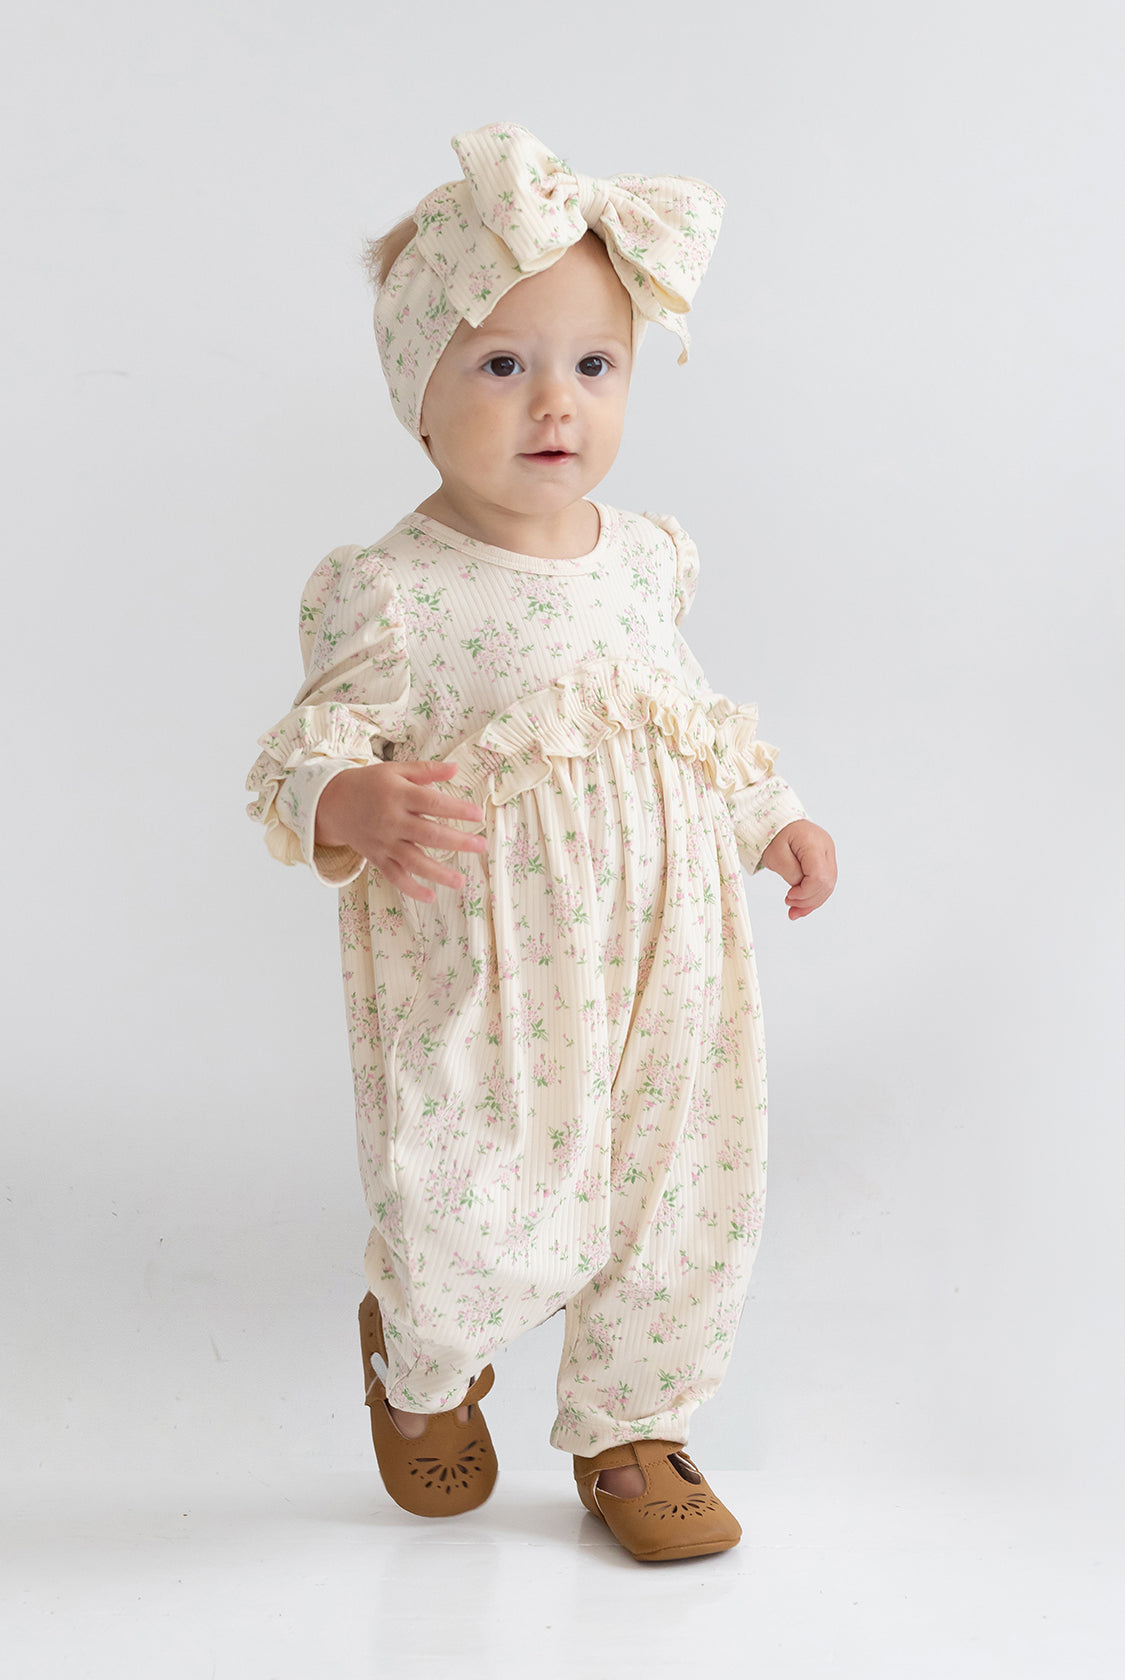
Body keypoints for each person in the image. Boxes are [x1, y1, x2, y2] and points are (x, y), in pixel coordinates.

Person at [244, 120, 837, 1562]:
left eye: (592, 364)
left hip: (672, 952)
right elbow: (295, 756)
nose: (552, 403)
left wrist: (771, 815)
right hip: (493, 974)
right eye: (501, 364)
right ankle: (424, 1352)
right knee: (471, 1199)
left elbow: (684, 716)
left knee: (677, 1186)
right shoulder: (390, 589)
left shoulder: (645, 559)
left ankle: (634, 1431)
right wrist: (348, 804)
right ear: (420, 391)